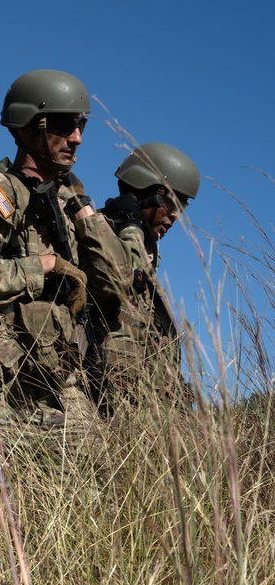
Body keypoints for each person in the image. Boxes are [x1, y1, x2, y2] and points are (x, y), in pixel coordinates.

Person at [0, 69, 129, 446]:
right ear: (26, 127)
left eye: (81, 125)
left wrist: (82, 210)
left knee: (103, 486)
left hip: (62, 384)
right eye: (63, 124)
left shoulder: (68, 203)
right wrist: (43, 268)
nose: (76, 138)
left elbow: (116, 284)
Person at [91, 143, 200, 412]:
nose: (175, 215)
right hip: (104, 396)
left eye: (181, 208)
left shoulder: (149, 253)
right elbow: (120, 280)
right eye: (171, 203)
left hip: (139, 401)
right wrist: (131, 227)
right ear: (146, 191)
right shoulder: (98, 231)